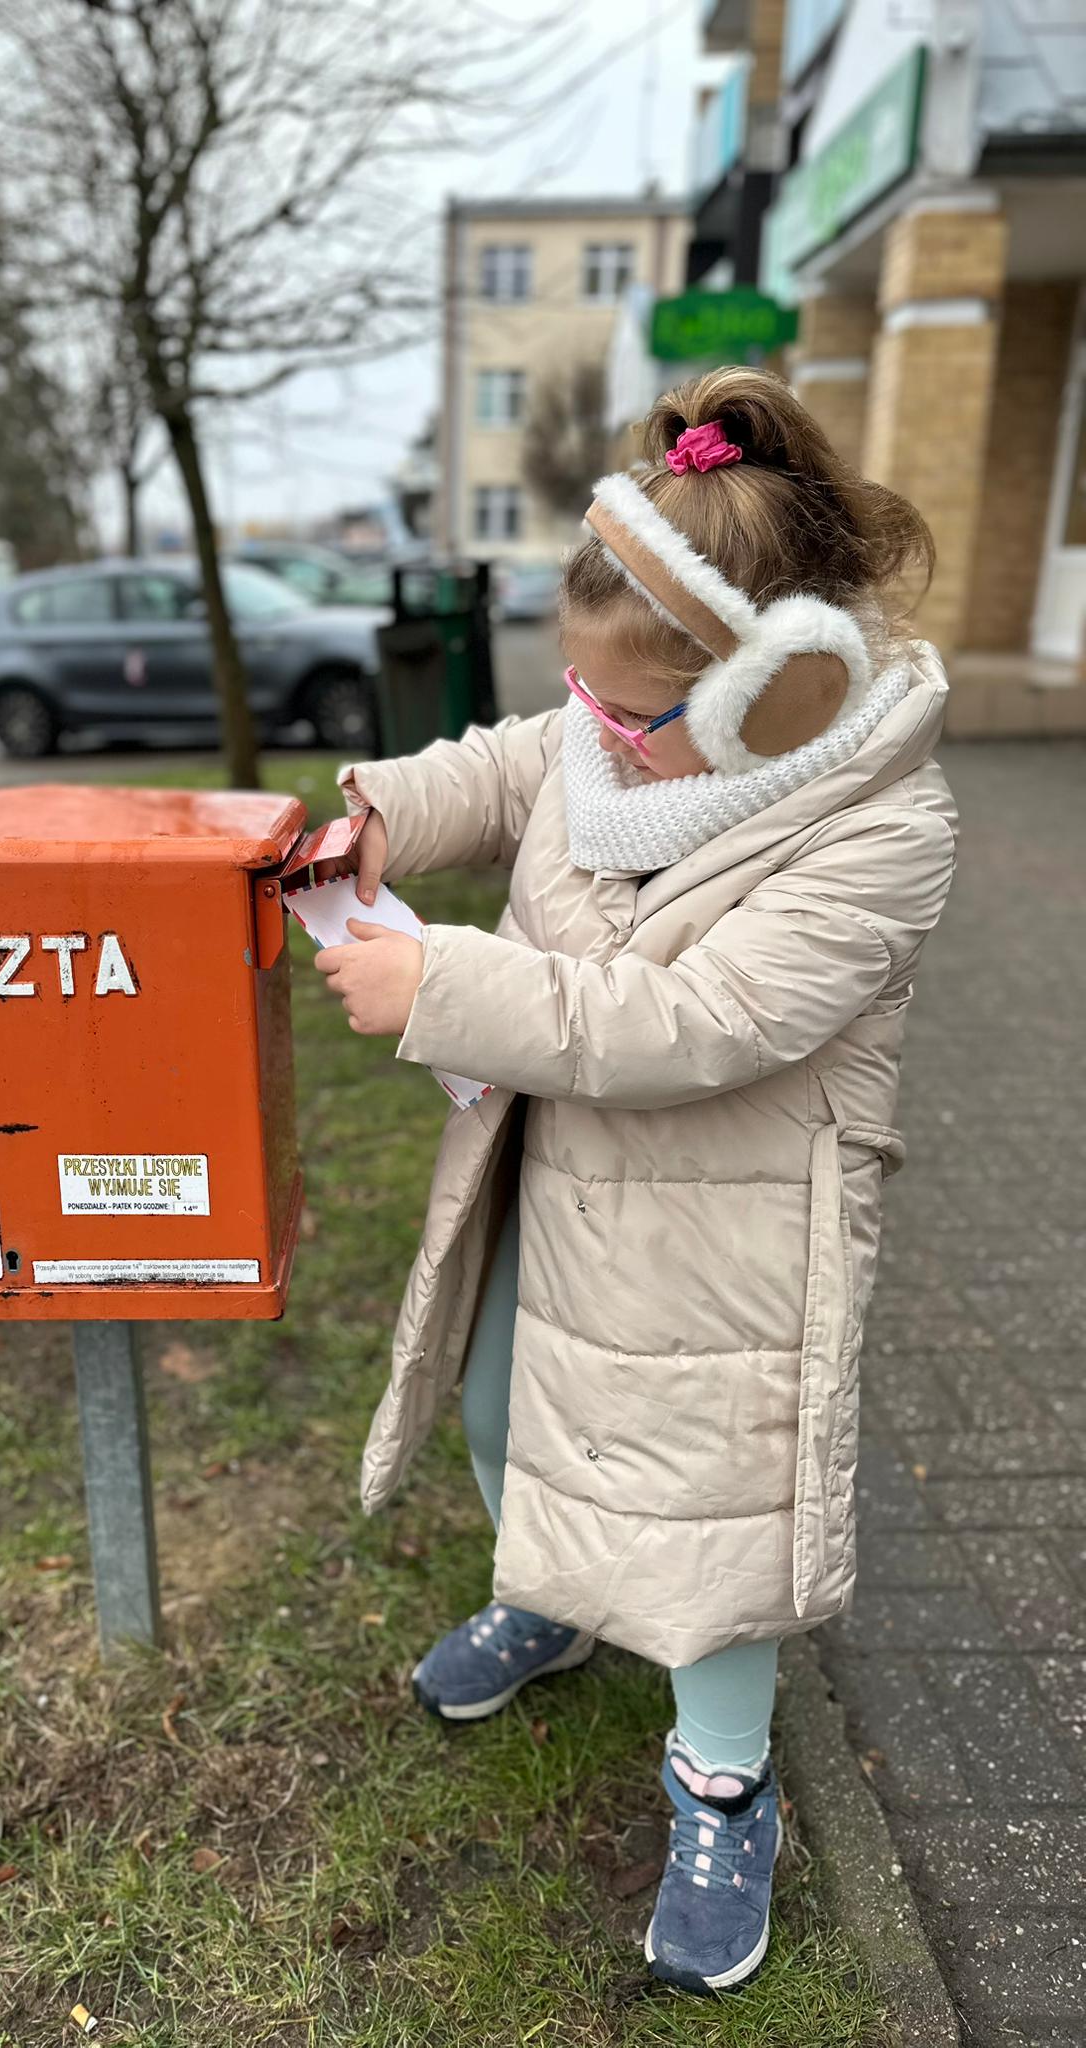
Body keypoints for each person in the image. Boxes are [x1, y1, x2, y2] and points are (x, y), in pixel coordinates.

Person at [312, 367, 957, 1994]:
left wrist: (439, 986)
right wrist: (386, 813)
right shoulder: (614, 730)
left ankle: (726, 1787)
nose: (593, 733)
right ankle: (553, 1591)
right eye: (581, 696)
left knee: (706, 1516)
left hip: (731, 1233)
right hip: (560, 1167)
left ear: (777, 693)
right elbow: (519, 763)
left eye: (631, 716)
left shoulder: (884, 827)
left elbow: (698, 1021)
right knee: (496, 1405)